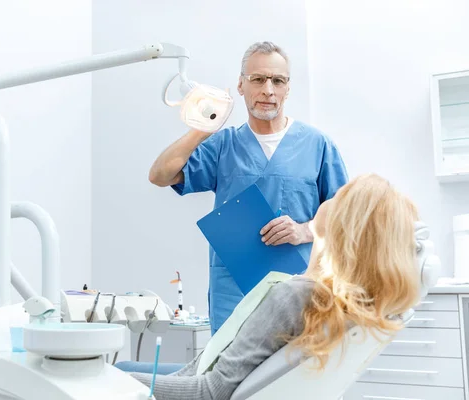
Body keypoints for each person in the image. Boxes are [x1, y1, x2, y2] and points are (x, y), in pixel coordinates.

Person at [129, 174, 422, 400]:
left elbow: (209, 391)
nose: (331, 198)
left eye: (342, 197)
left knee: (110, 372)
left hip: (200, 388)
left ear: (347, 227)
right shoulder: (332, 297)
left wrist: (104, 378)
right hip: (196, 376)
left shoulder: (295, 296)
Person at [149, 41, 349, 334]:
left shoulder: (317, 145)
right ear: (241, 85)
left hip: (297, 289)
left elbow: (345, 212)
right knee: (229, 375)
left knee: (290, 373)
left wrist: (304, 230)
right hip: (233, 293)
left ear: (287, 88)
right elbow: (160, 174)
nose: (268, 89)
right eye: (258, 79)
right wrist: (204, 128)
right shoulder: (223, 145)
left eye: (277, 80)